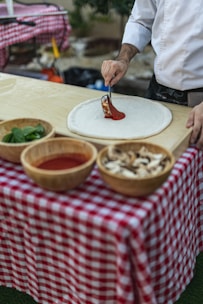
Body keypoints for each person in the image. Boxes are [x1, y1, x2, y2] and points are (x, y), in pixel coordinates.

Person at [101, 1, 203, 150]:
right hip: (158, 90)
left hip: (198, 103)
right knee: (145, 153)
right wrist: (123, 59)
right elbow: (141, 21)